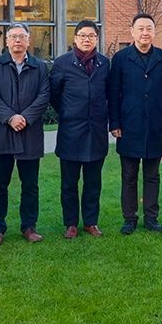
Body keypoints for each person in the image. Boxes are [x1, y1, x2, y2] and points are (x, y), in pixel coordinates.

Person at [108, 12, 162, 234]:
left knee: (152, 175)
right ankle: (129, 218)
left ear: (154, 32)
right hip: (129, 124)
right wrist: (114, 123)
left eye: (149, 29)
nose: (145, 33)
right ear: (132, 32)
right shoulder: (121, 58)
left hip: (156, 123)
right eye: (141, 29)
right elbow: (113, 93)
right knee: (129, 175)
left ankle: (151, 217)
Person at [0, 23, 51, 245]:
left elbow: (44, 96)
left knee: (30, 185)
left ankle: (29, 227)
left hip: (30, 134)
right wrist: (10, 117)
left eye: (22, 36)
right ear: (6, 41)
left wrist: (26, 117)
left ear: (28, 41)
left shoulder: (40, 67)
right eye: (13, 36)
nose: (17, 40)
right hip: (2, 133)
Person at [50, 20, 110, 239]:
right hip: (71, 132)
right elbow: (54, 95)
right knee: (69, 183)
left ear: (96, 39)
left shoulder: (104, 63)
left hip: (96, 131)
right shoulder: (62, 63)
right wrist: (69, 112)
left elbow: (110, 94)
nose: (87, 39)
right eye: (83, 35)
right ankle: (71, 223)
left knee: (93, 182)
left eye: (91, 36)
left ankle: (91, 222)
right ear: (75, 38)